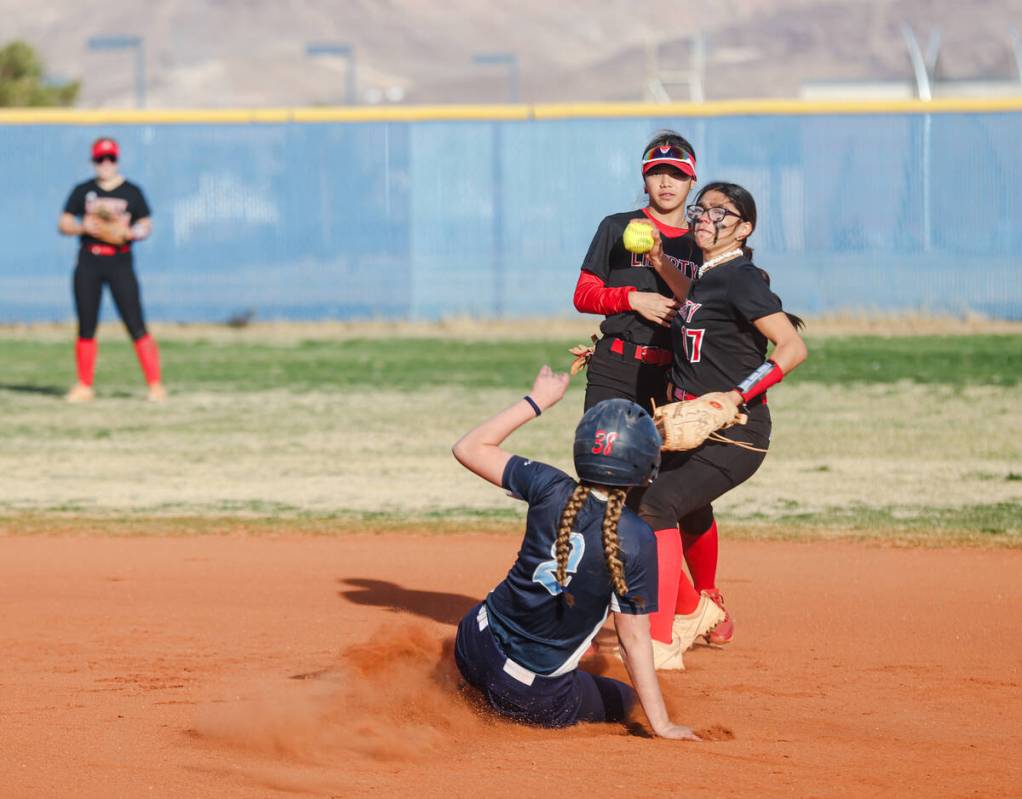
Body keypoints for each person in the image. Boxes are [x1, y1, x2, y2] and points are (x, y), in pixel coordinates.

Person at [451, 366, 701, 739]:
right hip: (530, 698)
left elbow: (467, 448)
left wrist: (538, 401)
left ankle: (470, 688)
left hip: (471, 644)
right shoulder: (636, 537)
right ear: (645, 467)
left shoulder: (548, 485)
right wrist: (662, 724)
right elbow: (633, 642)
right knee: (623, 699)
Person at [638, 182, 808, 665]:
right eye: (702, 209)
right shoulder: (712, 276)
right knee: (683, 509)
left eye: (722, 211)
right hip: (693, 427)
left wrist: (734, 395)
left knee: (653, 506)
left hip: (736, 432)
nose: (706, 217)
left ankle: (666, 634)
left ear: (745, 228)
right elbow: (696, 300)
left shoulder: (741, 277)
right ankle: (699, 609)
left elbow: (792, 348)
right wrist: (658, 262)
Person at [573, 130, 702, 414]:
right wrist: (633, 299)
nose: (666, 182)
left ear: (692, 181)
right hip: (616, 368)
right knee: (603, 456)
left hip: (675, 375)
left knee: (662, 459)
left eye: (677, 174)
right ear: (645, 182)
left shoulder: (701, 242)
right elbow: (583, 296)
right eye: (656, 173)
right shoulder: (617, 227)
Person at [58, 137, 165, 402]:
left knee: (135, 322)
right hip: (89, 261)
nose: (105, 164)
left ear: (116, 160)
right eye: (100, 159)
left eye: (110, 159)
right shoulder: (83, 191)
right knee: (86, 324)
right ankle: (84, 385)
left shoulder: (132, 191)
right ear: (93, 161)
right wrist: (83, 228)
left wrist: (131, 233)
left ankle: (155, 385)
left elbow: (146, 224)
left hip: (120, 261)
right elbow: (64, 222)